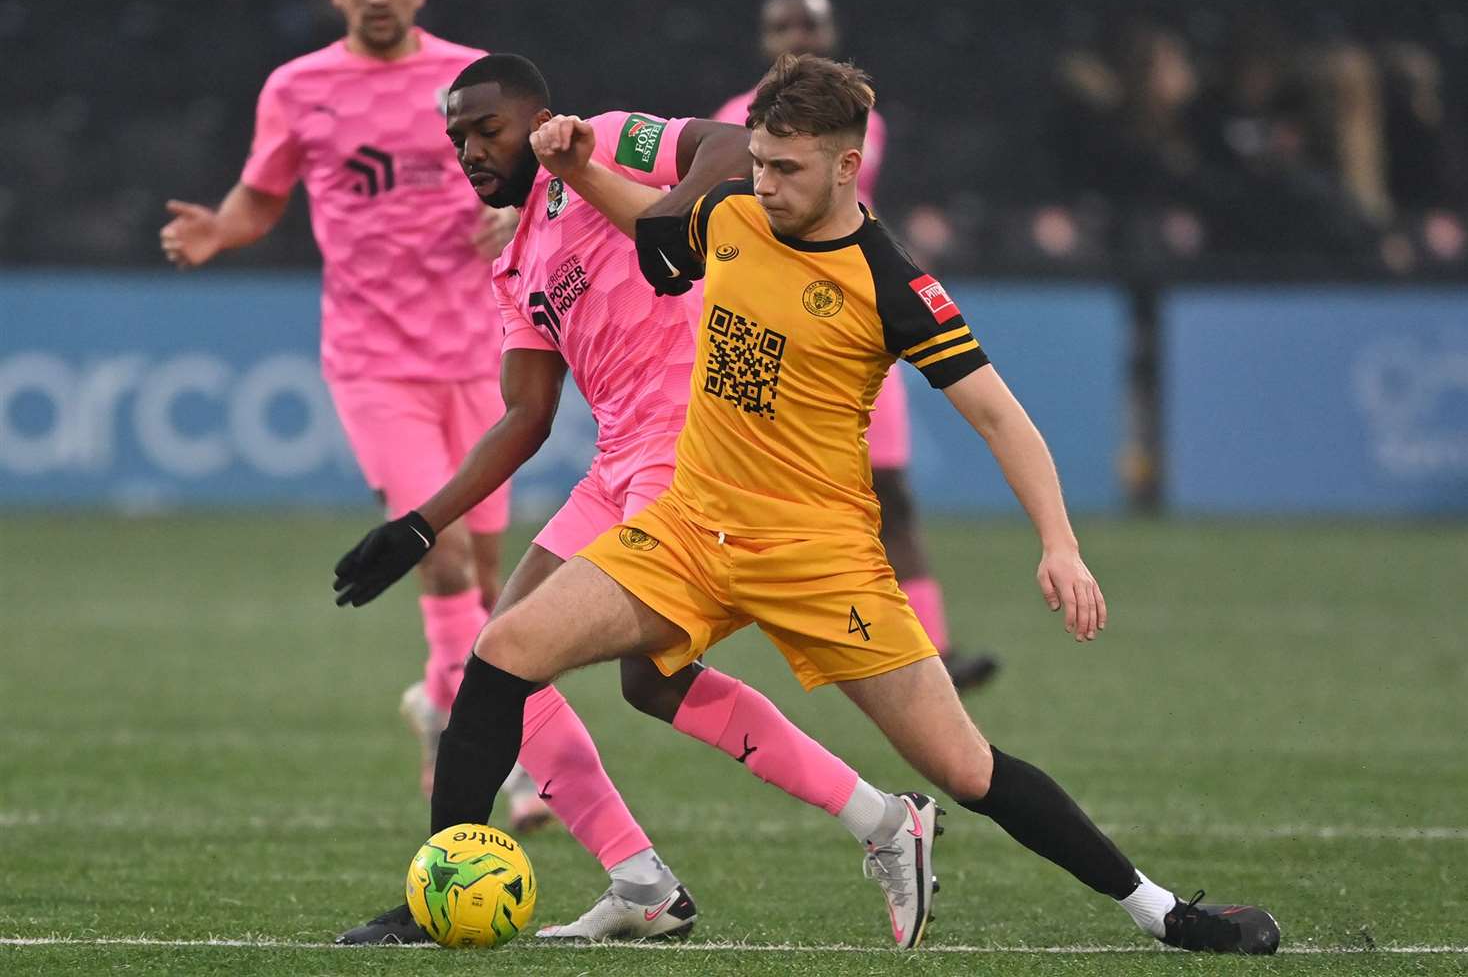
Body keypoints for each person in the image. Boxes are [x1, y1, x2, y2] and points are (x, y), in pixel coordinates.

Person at [353, 53, 1282, 954]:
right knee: (501, 651)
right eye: (756, 161)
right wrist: (579, 170)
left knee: (966, 769)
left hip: (817, 556)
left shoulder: (892, 283)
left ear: (847, 166)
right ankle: (438, 889)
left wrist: (1060, 545)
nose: (763, 183)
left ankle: (1162, 912)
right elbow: (653, 227)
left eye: (786, 168)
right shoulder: (734, 214)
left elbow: (1001, 419)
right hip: (686, 531)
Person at [332, 53, 947, 947]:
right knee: (503, 666)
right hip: (614, 463)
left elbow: (734, 145)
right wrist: (420, 523)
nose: (469, 149)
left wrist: (662, 214)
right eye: (456, 137)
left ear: (536, 116)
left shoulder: (609, 141)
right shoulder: (514, 263)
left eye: (487, 129)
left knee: (599, 674)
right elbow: (527, 416)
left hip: (694, 451)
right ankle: (641, 880)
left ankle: (871, 824)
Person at [155, 0, 550, 824]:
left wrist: (514, 212)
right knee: (439, 550)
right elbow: (262, 196)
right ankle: (499, 756)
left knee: (488, 577)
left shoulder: (471, 80)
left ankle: (435, 699)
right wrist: (221, 228)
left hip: (481, 355)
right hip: (372, 361)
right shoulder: (298, 88)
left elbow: (542, 183)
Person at [715, 0, 997, 689]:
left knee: (890, 490)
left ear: (831, 31)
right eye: (782, 26)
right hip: (777, 325)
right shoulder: (731, 122)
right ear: (762, 38)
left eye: (808, 25)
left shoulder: (861, 119)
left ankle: (932, 651)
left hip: (857, 319)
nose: (796, 36)